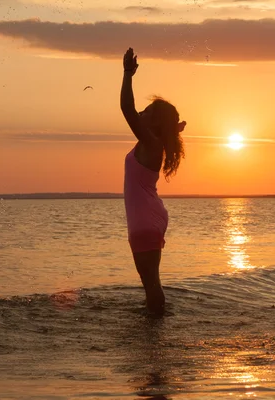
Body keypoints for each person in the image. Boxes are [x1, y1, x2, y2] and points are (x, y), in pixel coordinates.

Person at [121, 47, 187, 315]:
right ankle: (153, 325)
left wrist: (127, 74)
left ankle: (155, 332)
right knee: (150, 283)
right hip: (148, 217)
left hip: (145, 221)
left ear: (155, 123)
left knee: (151, 285)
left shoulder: (150, 142)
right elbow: (137, 114)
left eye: (147, 111)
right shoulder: (153, 142)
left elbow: (127, 108)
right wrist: (173, 128)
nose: (141, 113)